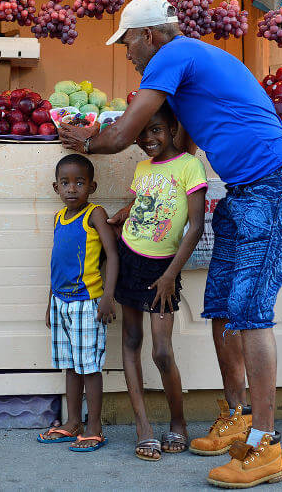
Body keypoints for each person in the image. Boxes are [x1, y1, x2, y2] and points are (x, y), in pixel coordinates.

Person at [59, 0, 282, 487]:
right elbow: (183, 147)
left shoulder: (174, 53)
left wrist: (83, 141)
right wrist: (142, 204)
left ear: (149, 35)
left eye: (128, 43)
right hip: (243, 189)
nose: (128, 54)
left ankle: (265, 445)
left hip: (276, 183)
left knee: (251, 311)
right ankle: (237, 417)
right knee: (221, 306)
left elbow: (124, 133)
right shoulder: (187, 65)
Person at [113, 101, 206, 461]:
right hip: (129, 259)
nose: (148, 138)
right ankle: (143, 428)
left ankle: (178, 422)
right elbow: (142, 204)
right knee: (131, 341)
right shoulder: (142, 168)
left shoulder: (189, 166)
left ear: (172, 130)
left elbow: (195, 227)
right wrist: (123, 213)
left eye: (155, 130)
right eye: (141, 132)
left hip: (162, 271)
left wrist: (170, 276)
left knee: (162, 351)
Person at [37, 154, 119, 452]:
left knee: (89, 368)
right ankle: (73, 422)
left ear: (92, 187)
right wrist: (50, 302)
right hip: (61, 302)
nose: (72, 188)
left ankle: (94, 427)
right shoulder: (59, 218)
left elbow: (113, 255)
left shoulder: (94, 214)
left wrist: (107, 297)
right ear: (56, 187)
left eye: (79, 183)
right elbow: (56, 264)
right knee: (70, 366)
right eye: (65, 183)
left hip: (87, 303)